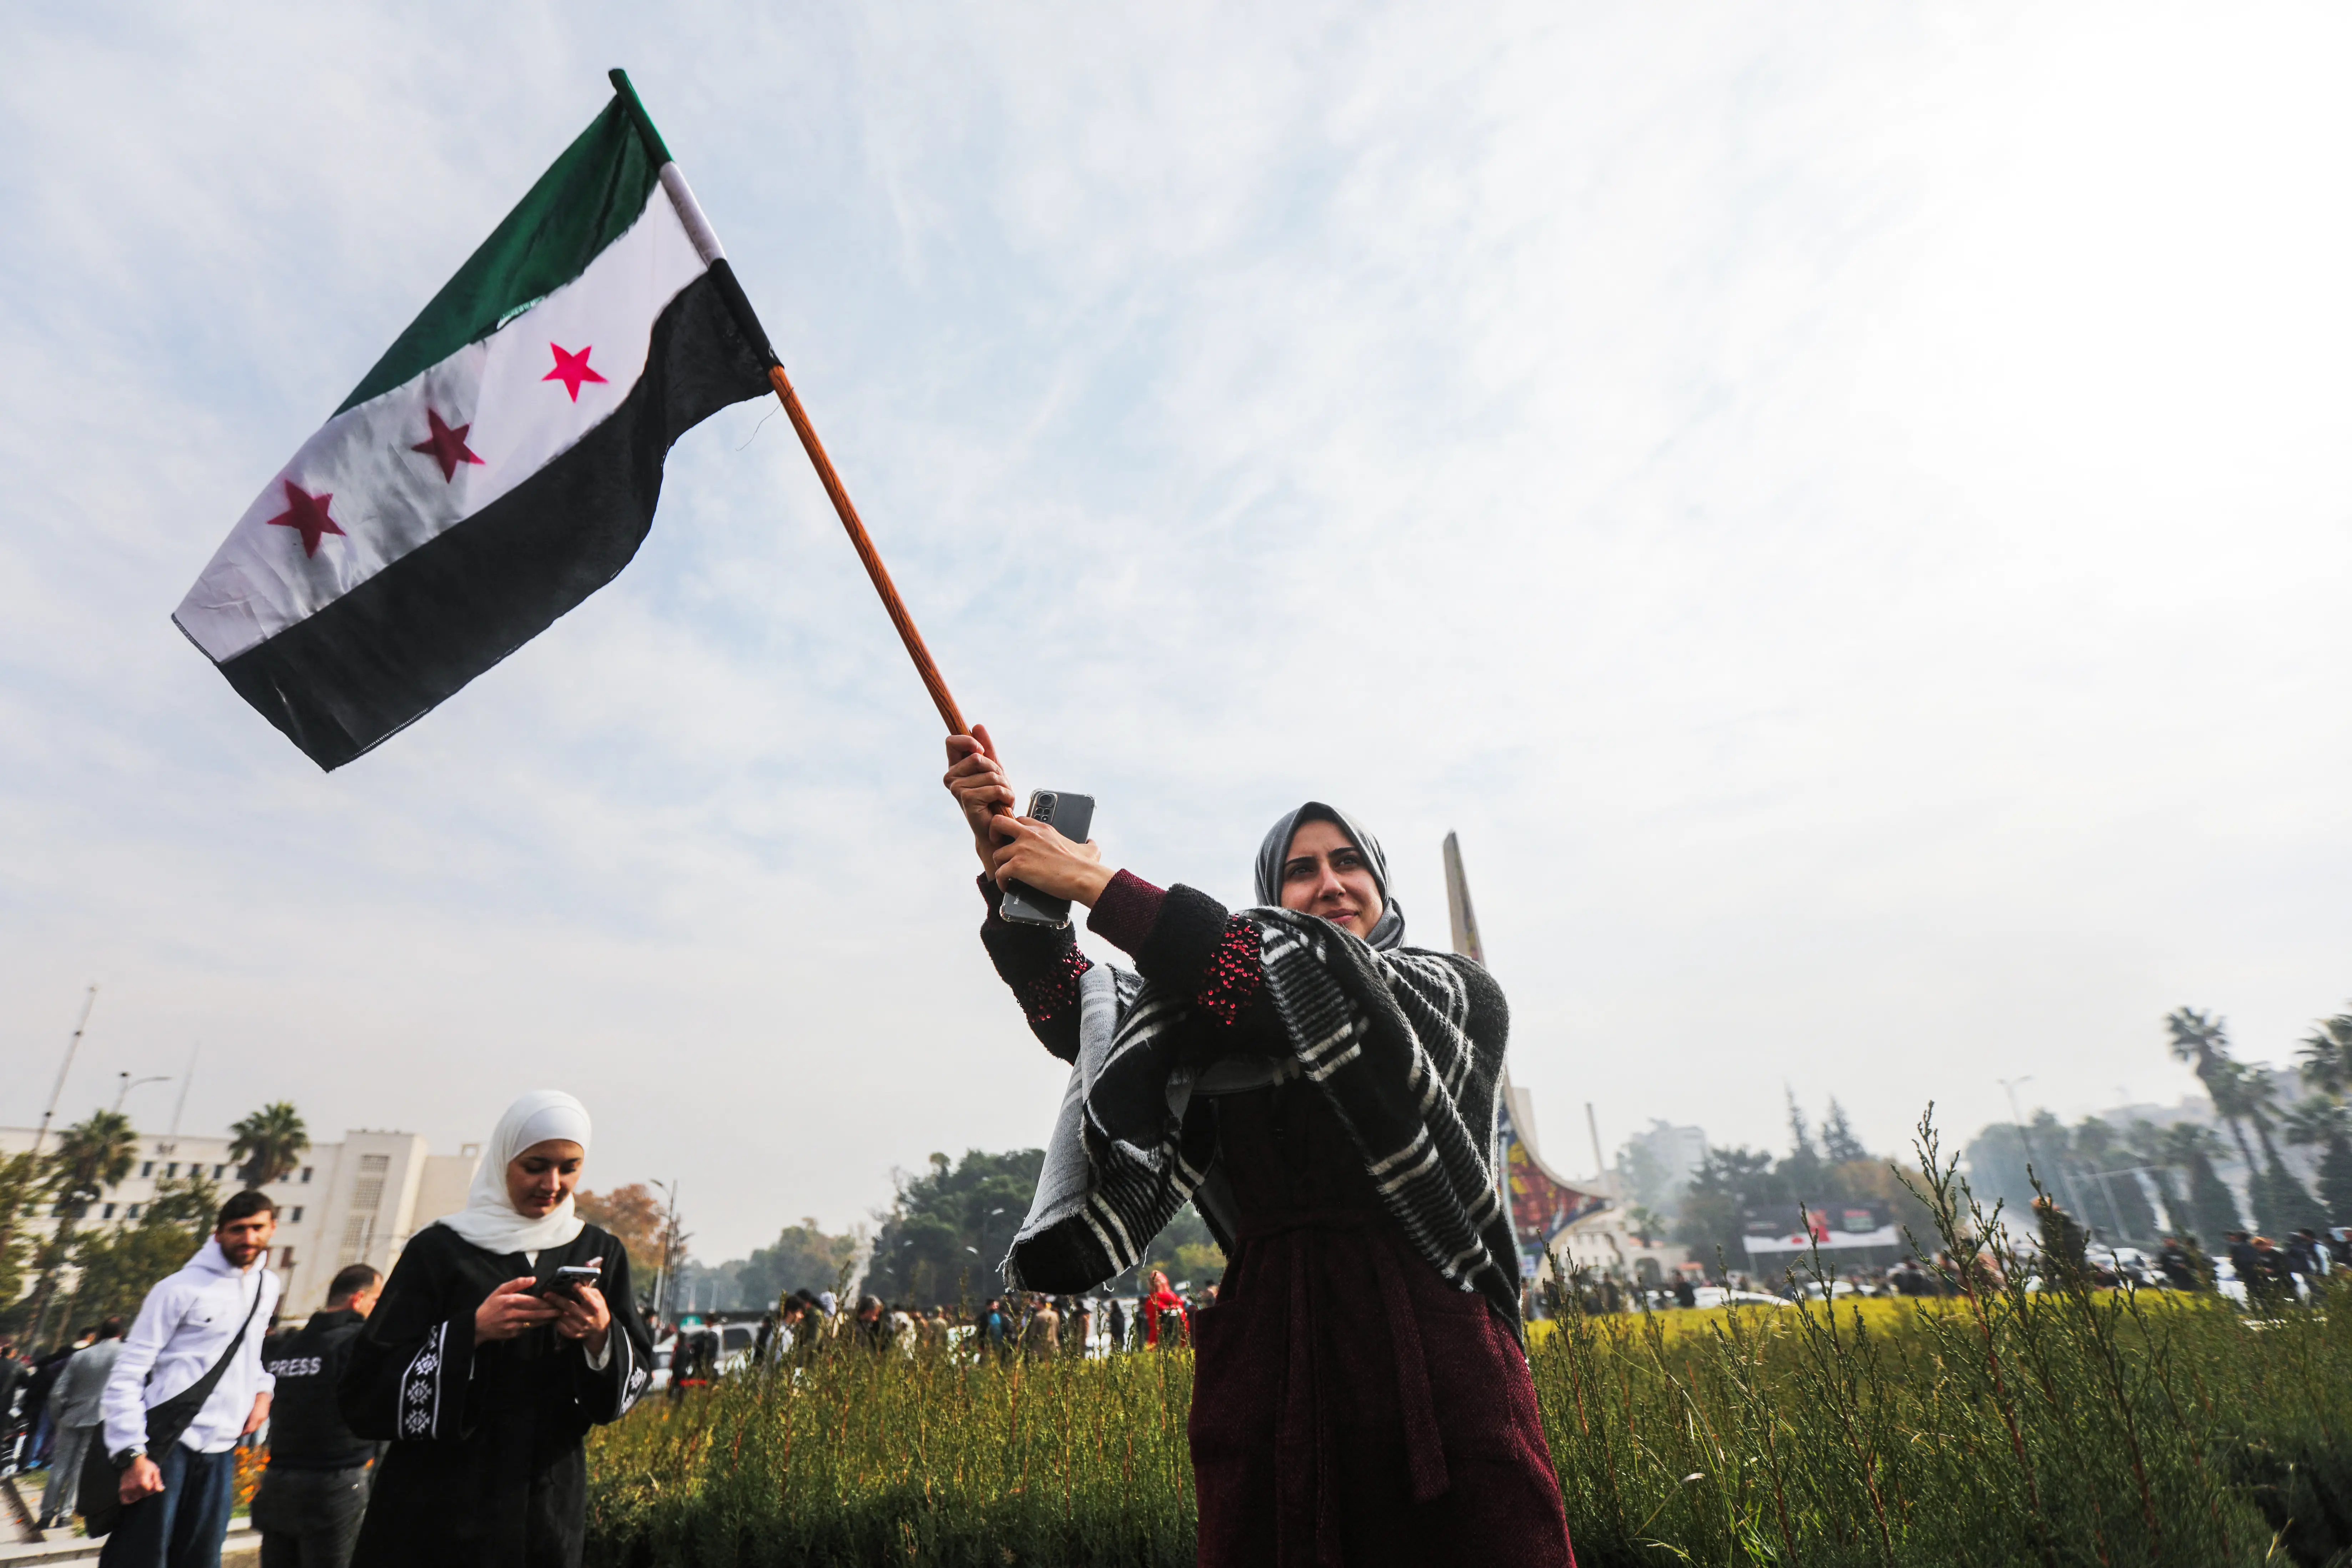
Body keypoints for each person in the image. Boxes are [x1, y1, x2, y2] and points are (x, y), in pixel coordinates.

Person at [946, 736, 1575, 1566]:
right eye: (1301, 869)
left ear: (1382, 887)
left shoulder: (1452, 993)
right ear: (1272, 896)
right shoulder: (1212, 1011)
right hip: (1272, 1358)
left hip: (1439, 1350)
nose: (1330, 882)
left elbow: (1297, 984)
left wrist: (1095, 882)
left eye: (1349, 861)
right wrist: (1018, 875)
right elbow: (1085, 1015)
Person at [338, 1090, 652, 1568]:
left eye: (569, 1168)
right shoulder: (441, 1249)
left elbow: (632, 1380)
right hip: (437, 1504)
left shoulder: (598, 1251)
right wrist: (471, 1333)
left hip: (543, 1502)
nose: (552, 1184)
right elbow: (365, 1386)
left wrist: (600, 1336)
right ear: (504, 1159)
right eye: (536, 1165)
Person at [101, 1190, 281, 1568]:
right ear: (217, 1234)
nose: (248, 1238)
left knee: (201, 1558)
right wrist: (133, 1453)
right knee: (143, 1557)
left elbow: (250, 1356)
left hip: (221, 1446)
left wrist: (263, 1391)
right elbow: (128, 1372)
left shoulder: (267, 1286)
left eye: (257, 1228)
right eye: (237, 1230)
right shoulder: (178, 1289)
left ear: (272, 1228)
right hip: (169, 1442)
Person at [252, 1264, 383, 1568]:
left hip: (278, 1480)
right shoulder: (360, 1342)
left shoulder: (288, 1344)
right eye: (377, 1301)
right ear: (358, 1299)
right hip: (335, 1483)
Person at [35, 1318, 123, 1531]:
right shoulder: (125, 1355)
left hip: (72, 1416)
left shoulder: (81, 1356)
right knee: (80, 1469)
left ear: (101, 1332)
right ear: (120, 1334)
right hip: (101, 1419)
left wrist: (60, 1416)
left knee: (59, 1467)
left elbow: (57, 1392)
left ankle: (46, 1515)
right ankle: (65, 1514)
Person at [1141, 1271, 1189, 1349]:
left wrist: (1152, 1345)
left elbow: (1154, 1326)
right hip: (1179, 1341)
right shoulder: (1175, 1299)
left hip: (1159, 1343)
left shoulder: (1153, 1301)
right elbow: (1185, 1324)